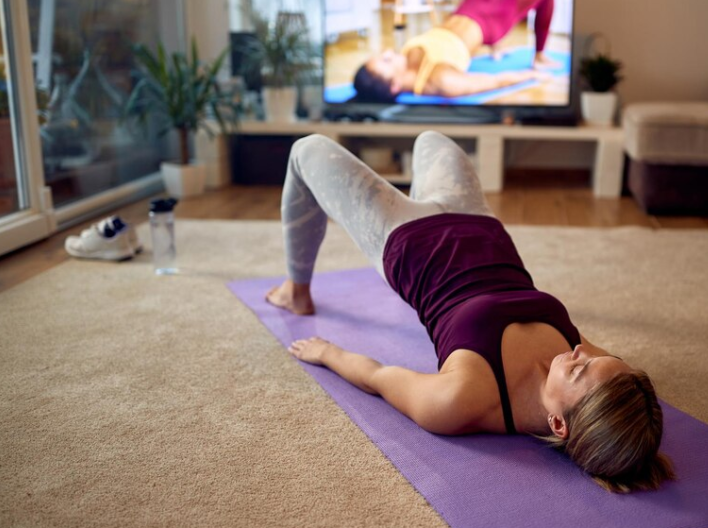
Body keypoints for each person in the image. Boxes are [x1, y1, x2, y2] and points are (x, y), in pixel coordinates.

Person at [267, 131, 675, 493]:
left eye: (578, 370)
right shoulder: (592, 377)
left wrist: (326, 353)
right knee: (431, 139)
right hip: (478, 222)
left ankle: (295, 290)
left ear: (558, 425)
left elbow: (378, 377)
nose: (583, 352)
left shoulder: (460, 401)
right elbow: (610, 388)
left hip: (405, 237)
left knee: (307, 150)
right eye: (606, 359)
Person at [351, 0, 560, 102]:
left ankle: (500, 49)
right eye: (386, 61)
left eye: (382, 56)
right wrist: (531, 75)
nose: (388, 52)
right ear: (395, 86)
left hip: (466, 10)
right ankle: (539, 56)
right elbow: (497, 80)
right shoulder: (443, 80)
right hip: (491, 21)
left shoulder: (405, 61)